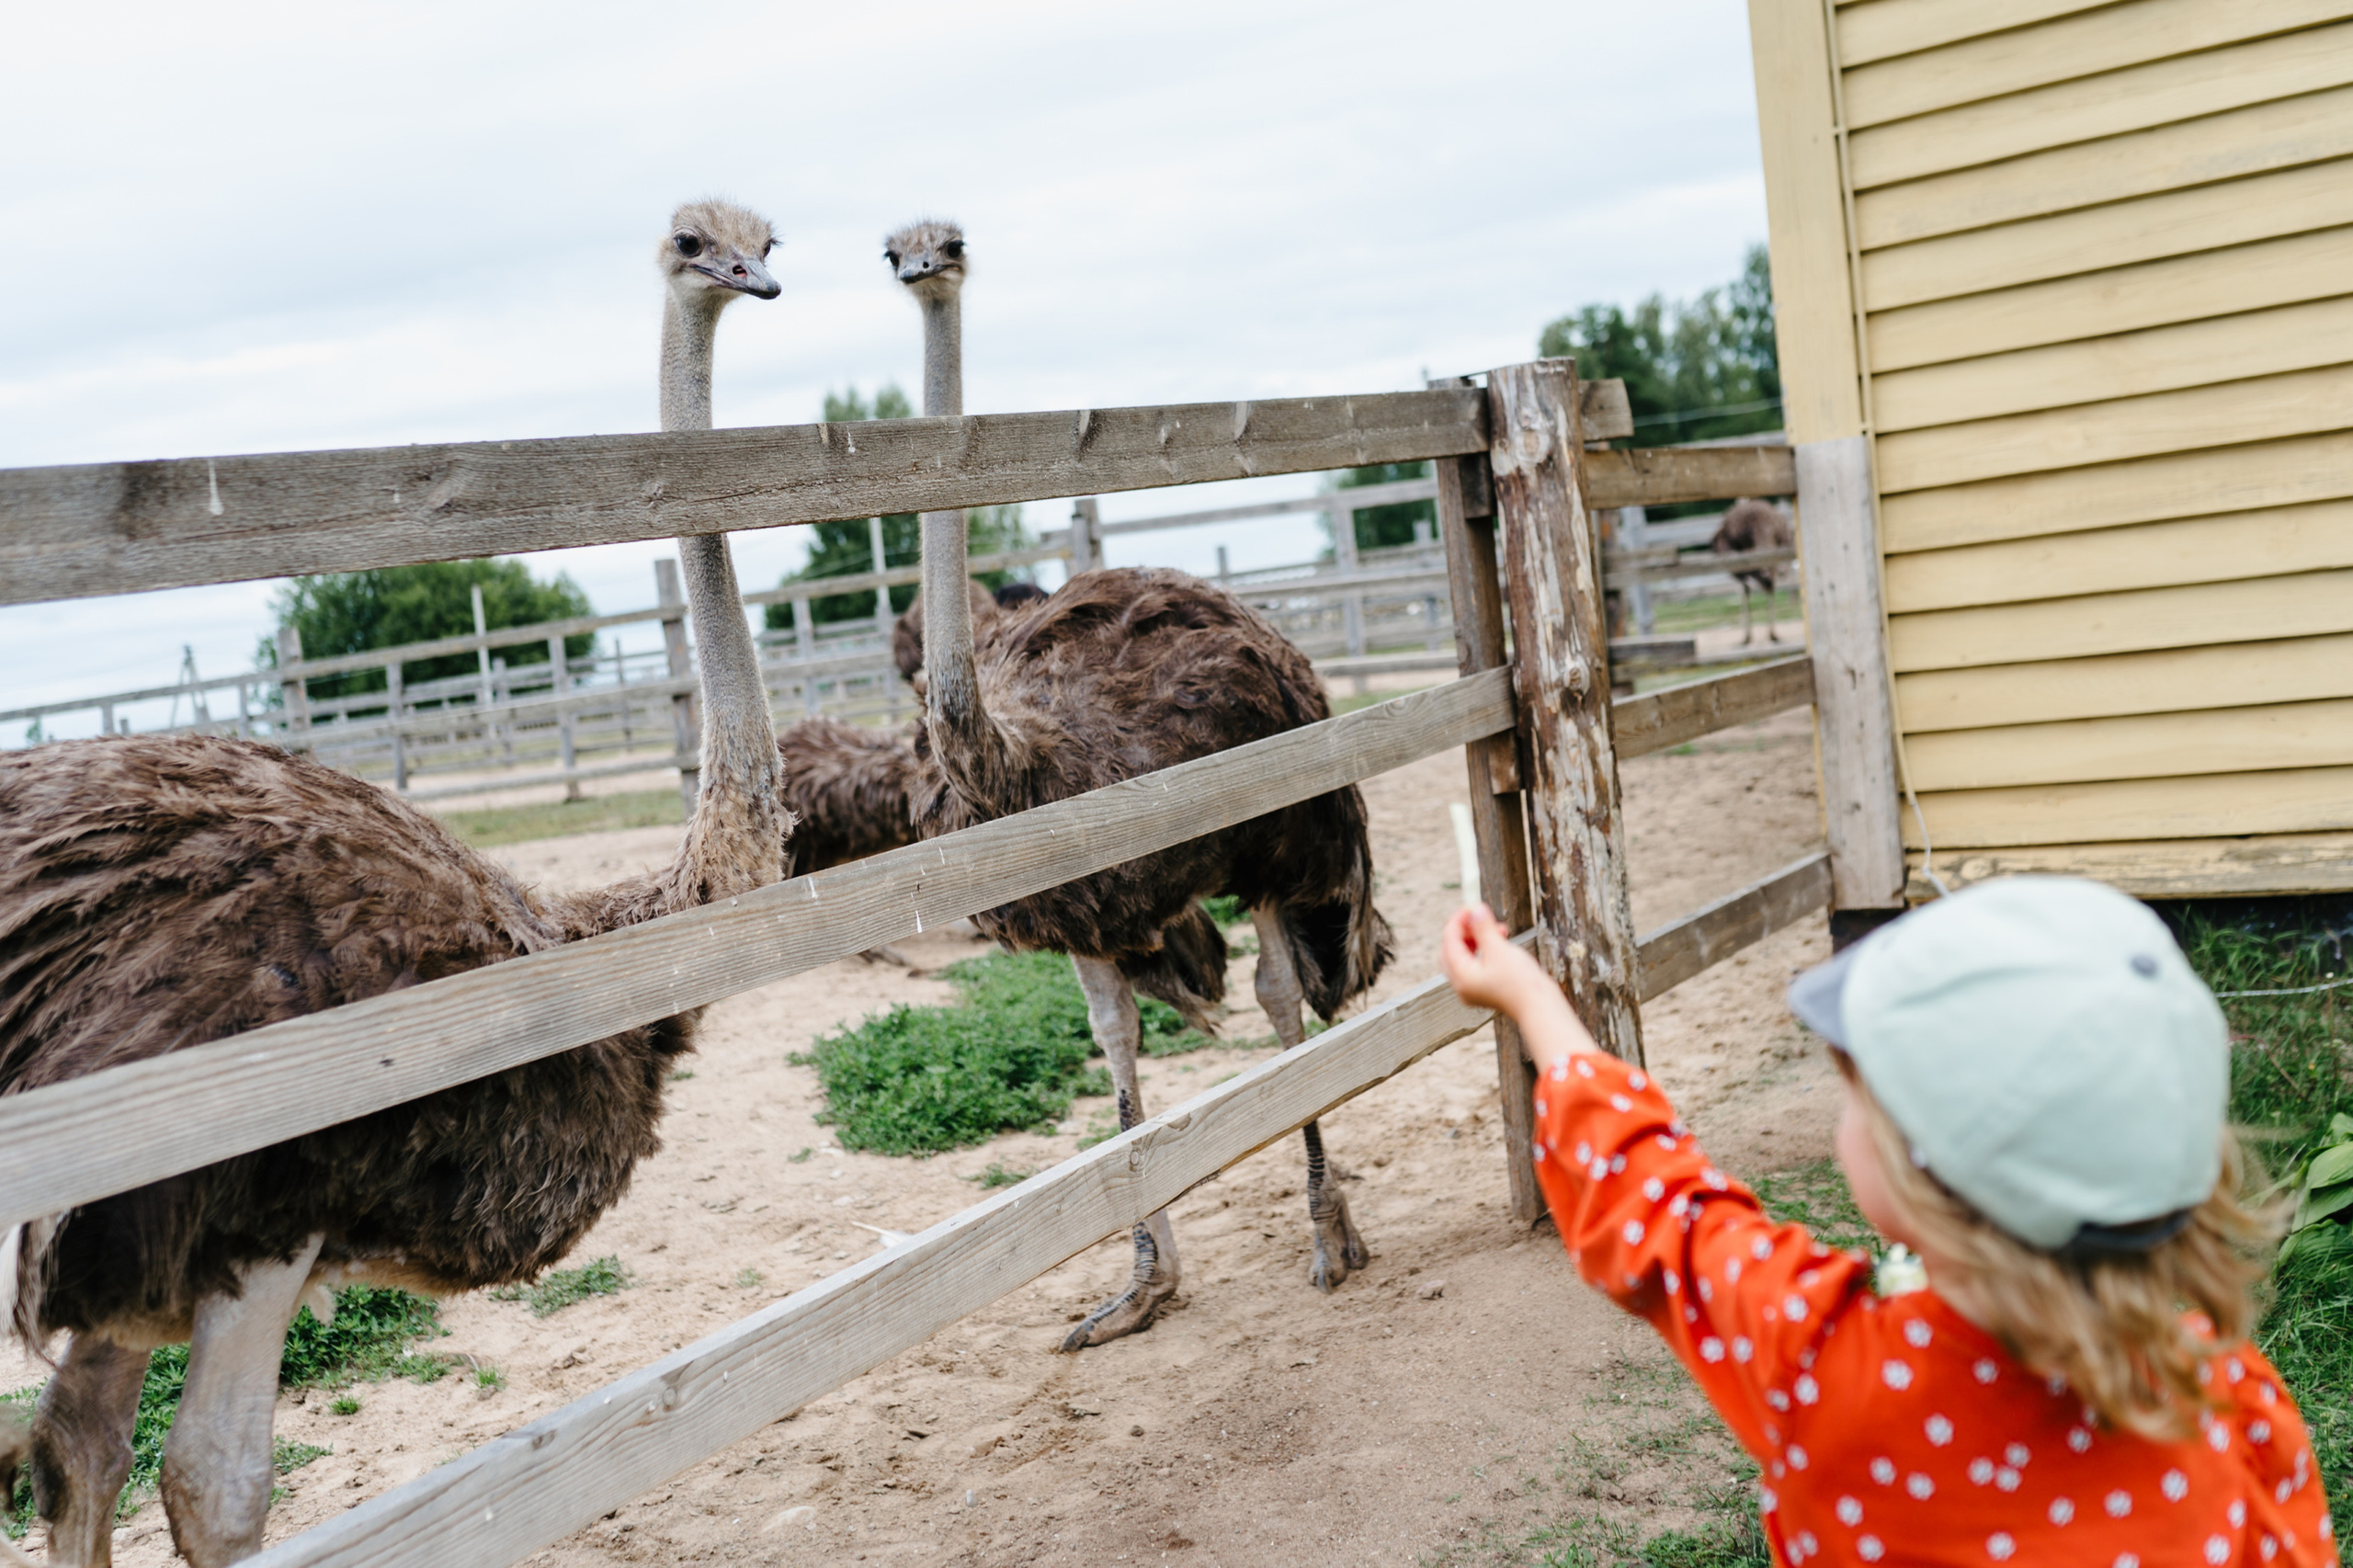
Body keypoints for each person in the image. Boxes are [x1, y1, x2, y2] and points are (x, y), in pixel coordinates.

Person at [1438, 875, 2333, 1565]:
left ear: (1924, 1175)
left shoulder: (1823, 1370)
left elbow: (1657, 1203)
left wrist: (1532, 1001)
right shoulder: (2232, 1403)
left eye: (1860, 1098)